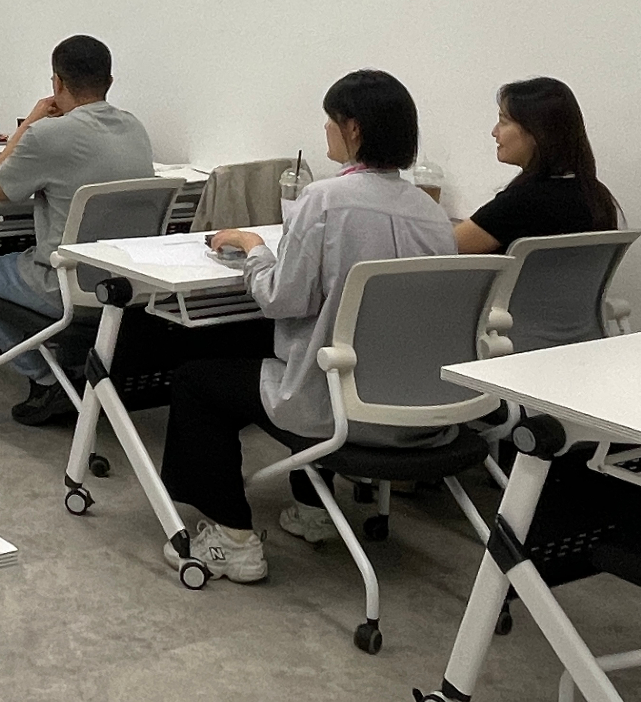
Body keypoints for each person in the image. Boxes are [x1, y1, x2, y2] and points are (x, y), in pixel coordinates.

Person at [157, 70, 454, 585]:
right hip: (420, 409)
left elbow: (281, 299)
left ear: (353, 128)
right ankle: (314, 510)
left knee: (195, 381)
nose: (325, 130)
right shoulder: (431, 213)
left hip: (339, 406)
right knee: (286, 353)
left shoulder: (324, 200)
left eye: (330, 121)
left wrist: (254, 249)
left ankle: (232, 538)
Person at [0, 35, 155, 426]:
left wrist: (30, 122)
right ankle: (64, 365)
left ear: (57, 82)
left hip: (65, 285)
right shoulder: (135, 127)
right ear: (109, 81)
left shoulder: (48, 134)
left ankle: (46, 380)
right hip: (127, 281)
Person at [454, 77, 619, 254]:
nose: (494, 132)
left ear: (536, 132)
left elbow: (442, 247)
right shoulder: (597, 197)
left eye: (503, 121)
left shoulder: (521, 204)